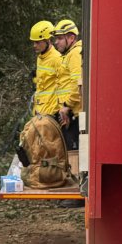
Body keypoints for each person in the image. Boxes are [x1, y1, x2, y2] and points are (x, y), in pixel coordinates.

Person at [52, 19, 83, 151]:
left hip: (73, 114)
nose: (56, 42)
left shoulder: (75, 53)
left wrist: (66, 106)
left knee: (73, 156)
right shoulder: (70, 54)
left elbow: (77, 84)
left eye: (59, 38)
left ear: (71, 37)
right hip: (69, 112)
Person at [29, 20, 67, 117]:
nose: (34, 45)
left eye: (38, 42)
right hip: (39, 111)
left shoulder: (57, 59)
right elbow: (44, 83)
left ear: (48, 40)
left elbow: (64, 86)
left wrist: (62, 109)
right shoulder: (40, 58)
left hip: (51, 113)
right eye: (34, 42)